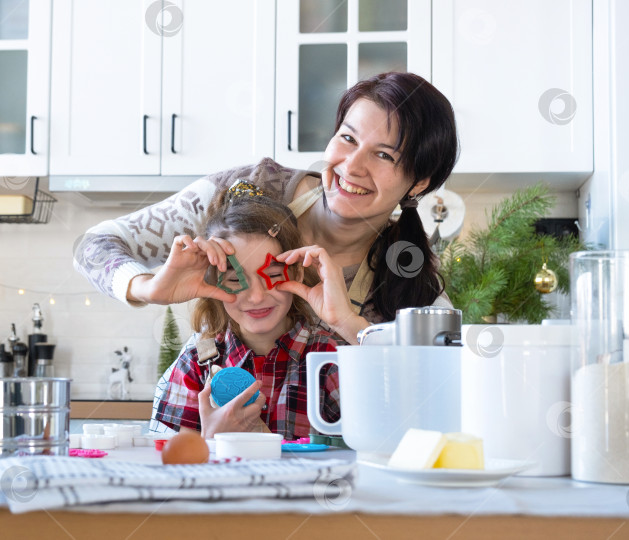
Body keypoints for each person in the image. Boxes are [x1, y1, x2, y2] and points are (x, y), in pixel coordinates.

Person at [74, 71, 459, 343]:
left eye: (384, 155)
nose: (352, 166)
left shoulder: (410, 275)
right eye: (347, 138)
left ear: (419, 183)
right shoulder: (246, 190)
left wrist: (351, 324)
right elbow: (91, 246)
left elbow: (439, 384)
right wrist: (147, 288)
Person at [153, 182, 340, 439]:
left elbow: (374, 448)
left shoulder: (329, 357)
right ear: (211, 282)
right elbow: (176, 468)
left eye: (273, 275)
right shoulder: (197, 361)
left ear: (296, 271)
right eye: (234, 280)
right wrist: (211, 441)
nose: (255, 297)